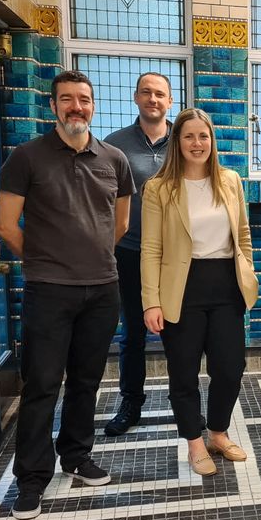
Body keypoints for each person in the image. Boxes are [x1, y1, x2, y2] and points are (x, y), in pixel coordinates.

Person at [0, 70, 134, 520]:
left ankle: (76, 456)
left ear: (94, 105)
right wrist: (43, 262)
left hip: (102, 289)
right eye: (68, 99)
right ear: (53, 105)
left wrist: (91, 258)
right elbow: (5, 225)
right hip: (48, 291)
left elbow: (121, 225)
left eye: (84, 99)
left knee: (86, 383)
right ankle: (31, 480)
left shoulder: (113, 159)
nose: (77, 107)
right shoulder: (26, 158)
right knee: (42, 385)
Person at [140, 108, 259, 476]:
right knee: (184, 372)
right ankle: (194, 442)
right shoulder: (159, 188)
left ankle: (218, 433)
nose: (197, 143)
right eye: (189, 136)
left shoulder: (230, 180)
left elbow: (242, 235)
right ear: (177, 141)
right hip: (182, 289)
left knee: (230, 367)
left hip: (226, 285)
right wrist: (151, 301)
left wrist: (247, 272)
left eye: (203, 136)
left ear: (212, 140)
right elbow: (151, 249)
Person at [103, 72, 174, 436]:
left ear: (170, 101)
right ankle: (131, 402)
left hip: (177, 256)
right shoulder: (114, 146)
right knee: (132, 333)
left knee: (182, 332)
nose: (153, 99)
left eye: (160, 94)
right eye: (146, 92)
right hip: (129, 252)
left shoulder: (186, 140)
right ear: (135, 97)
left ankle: (184, 400)